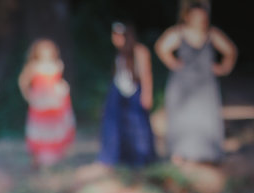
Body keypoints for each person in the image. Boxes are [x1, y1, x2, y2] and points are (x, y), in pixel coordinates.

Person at [154, 0, 238, 164]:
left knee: (205, 119)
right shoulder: (179, 33)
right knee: (181, 119)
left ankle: (206, 155)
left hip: (205, 86)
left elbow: (231, 50)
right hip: (182, 85)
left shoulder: (212, 34)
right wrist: (172, 62)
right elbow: (161, 47)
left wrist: (224, 68)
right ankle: (179, 153)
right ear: (187, 17)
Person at [97, 22, 157, 168]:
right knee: (114, 125)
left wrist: (147, 94)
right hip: (118, 93)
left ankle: (140, 158)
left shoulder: (139, 51)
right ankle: (114, 157)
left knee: (138, 126)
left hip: (134, 93)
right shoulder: (120, 53)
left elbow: (146, 75)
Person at [18, 39, 75, 168]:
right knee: (39, 128)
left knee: (55, 127)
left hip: (54, 101)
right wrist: (28, 95)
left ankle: (55, 155)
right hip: (40, 102)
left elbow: (57, 80)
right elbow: (23, 81)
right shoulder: (34, 66)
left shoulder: (57, 64)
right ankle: (39, 156)